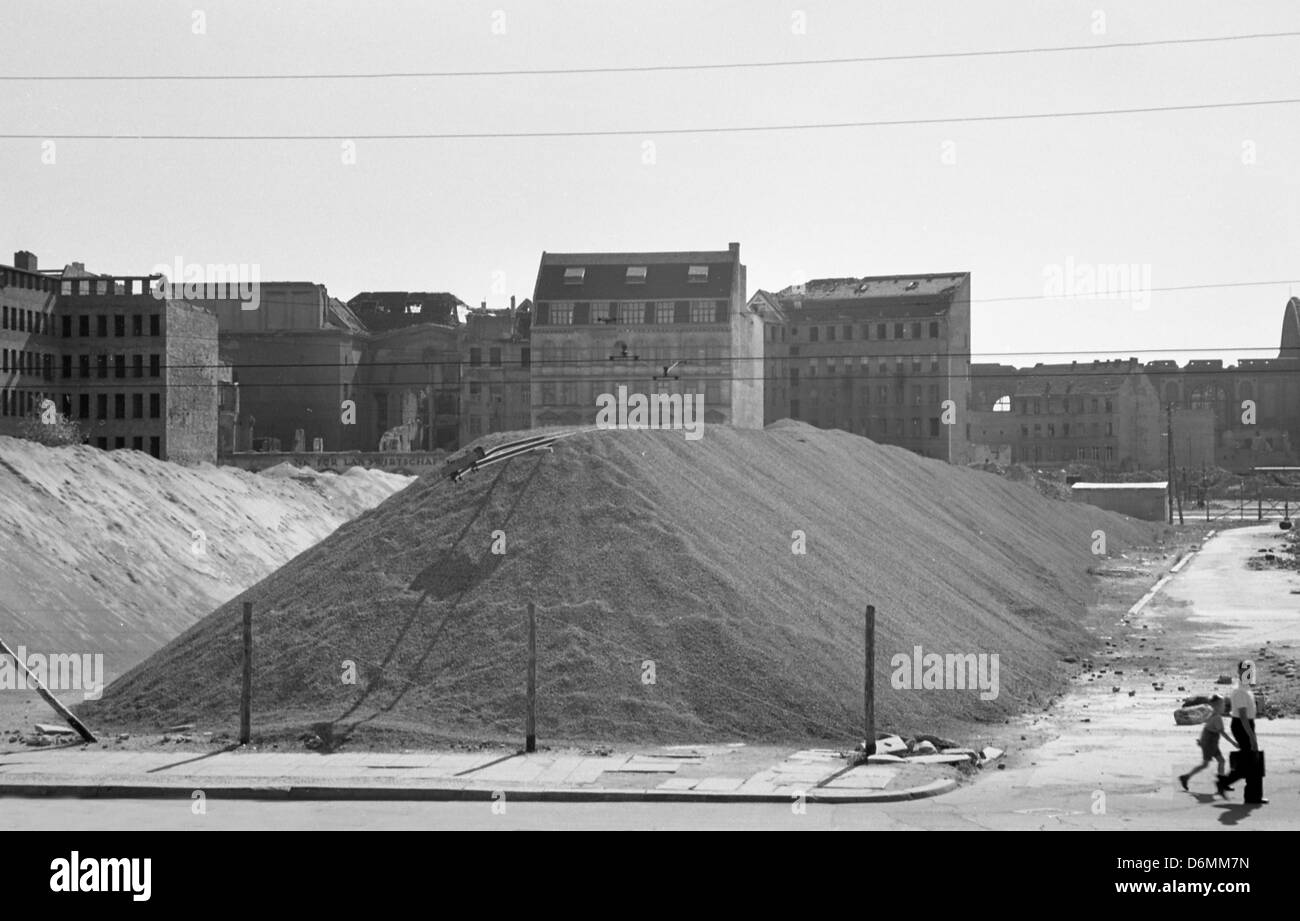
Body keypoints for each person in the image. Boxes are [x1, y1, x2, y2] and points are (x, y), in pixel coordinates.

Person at [1217, 660, 1267, 804]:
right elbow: (1243, 717)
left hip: (1246, 724)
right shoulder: (1240, 691)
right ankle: (1226, 782)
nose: (1250, 674)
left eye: (1251, 671)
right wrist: (1252, 737)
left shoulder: (1246, 689)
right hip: (1242, 725)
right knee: (1251, 759)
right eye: (1246, 671)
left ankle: (1253, 795)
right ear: (1240, 673)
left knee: (1253, 759)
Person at [1178, 696, 1236, 792]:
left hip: (1210, 742)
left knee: (1219, 762)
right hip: (1210, 743)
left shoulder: (1212, 715)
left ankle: (1221, 783)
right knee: (1210, 763)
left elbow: (1206, 729)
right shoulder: (1217, 718)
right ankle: (1186, 777)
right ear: (1216, 706)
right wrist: (1234, 743)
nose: (1224, 706)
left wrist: (1201, 741)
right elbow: (1223, 733)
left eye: (1224, 704)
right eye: (1222, 704)